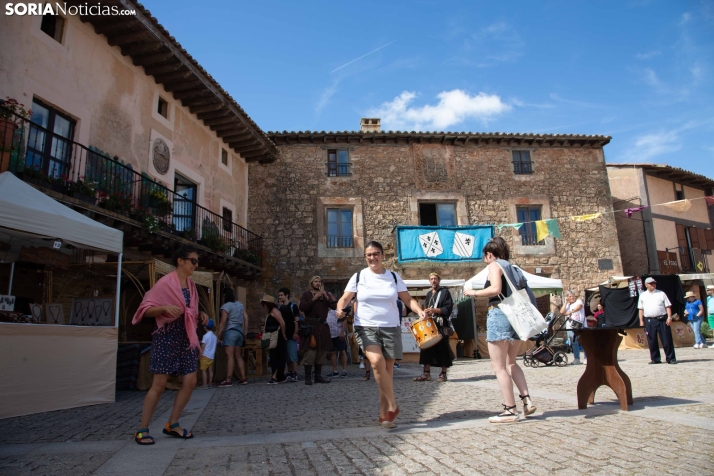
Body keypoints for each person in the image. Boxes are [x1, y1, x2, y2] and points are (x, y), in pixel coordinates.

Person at [336, 240, 426, 429]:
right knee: (376, 362)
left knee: (386, 372)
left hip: (390, 327)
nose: (372, 257)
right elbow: (345, 298)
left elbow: (407, 298)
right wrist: (339, 309)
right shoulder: (359, 276)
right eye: (369, 255)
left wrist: (419, 311)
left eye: (376, 254)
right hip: (365, 327)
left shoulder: (393, 277)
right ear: (365, 257)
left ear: (383, 255)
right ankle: (394, 406)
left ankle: (385, 416)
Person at [131, 245, 209, 444]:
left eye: (197, 261)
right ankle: (142, 429)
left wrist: (199, 314)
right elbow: (145, 309)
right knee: (159, 384)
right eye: (193, 260)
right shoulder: (164, 283)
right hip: (167, 336)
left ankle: (173, 424)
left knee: (190, 382)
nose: (196, 264)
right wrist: (163, 308)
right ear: (180, 261)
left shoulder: (191, 286)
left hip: (186, 337)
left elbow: (189, 310)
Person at [463, 237, 537, 423]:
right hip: (516, 317)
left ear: (489, 254)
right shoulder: (513, 268)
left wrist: (473, 293)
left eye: (485, 256)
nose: (484, 260)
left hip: (500, 313)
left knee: (499, 366)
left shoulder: (495, 266)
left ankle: (510, 410)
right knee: (511, 362)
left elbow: (495, 289)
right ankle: (526, 400)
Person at [414, 272, 454, 382]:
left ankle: (443, 374)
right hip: (430, 324)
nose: (433, 281)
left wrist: (435, 310)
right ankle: (426, 374)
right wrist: (426, 313)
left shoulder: (444, 292)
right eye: (431, 279)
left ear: (439, 280)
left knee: (443, 348)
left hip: (441, 324)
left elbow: (448, 307)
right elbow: (427, 307)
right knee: (426, 347)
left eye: (435, 278)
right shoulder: (428, 294)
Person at [299, 276, 336, 385]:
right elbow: (302, 307)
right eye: (315, 281)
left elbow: (334, 307)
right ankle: (308, 377)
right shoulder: (306, 295)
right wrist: (314, 299)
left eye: (319, 281)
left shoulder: (326, 295)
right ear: (311, 283)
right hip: (311, 326)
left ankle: (318, 376)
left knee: (322, 352)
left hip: (322, 326)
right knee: (310, 352)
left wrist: (326, 297)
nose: (318, 283)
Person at [638, 277, 677, 364]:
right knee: (652, 340)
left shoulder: (661, 293)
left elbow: (667, 306)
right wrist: (641, 321)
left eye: (654, 283)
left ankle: (670, 358)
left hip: (661, 319)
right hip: (649, 320)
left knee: (666, 340)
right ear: (646, 285)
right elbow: (641, 309)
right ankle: (655, 358)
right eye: (651, 284)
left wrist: (669, 317)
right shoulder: (643, 295)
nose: (653, 285)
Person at [216, 288, 249, 387]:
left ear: (225, 295)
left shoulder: (226, 306)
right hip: (239, 332)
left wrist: (217, 334)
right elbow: (246, 318)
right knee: (238, 356)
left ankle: (228, 379)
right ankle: (243, 378)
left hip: (231, 332)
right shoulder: (240, 305)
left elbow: (223, 322)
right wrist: (245, 331)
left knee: (229, 356)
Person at [262, 294, 288, 384]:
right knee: (274, 356)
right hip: (273, 336)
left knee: (277, 356)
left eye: (264, 304)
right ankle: (277, 376)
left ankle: (275, 376)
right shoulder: (270, 312)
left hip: (277, 336)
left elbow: (282, 323)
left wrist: (283, 334)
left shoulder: (274, 311)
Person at [278, 287, 301, 382]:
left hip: (291, 333)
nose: (279, 297)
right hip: (283, 334)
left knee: (292, 354)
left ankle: (295, 372)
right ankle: (290, 372)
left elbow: (297, 320)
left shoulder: (293, 306)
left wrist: (296, 332)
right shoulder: (280, 307)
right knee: (286, 355)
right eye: (279, 295)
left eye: (281, 295)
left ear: (286, 295)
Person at [561, 291, 587, 365]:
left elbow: (579, 307)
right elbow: (562, 312)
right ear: (567, 298)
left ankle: (586, 358)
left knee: (583, 341)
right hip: (570, 326)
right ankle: (576, 358)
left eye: (573, 296)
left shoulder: (579, 301)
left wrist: (571, 311)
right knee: (574, 342)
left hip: (580, 325)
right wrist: (566, 303)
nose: (572, 298)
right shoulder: (568, 305)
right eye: (570, 296)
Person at [327, 308, 348, 378]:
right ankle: (335, 371)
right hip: (330, 335)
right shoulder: (326, 310)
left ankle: (344, 370)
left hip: (338, 334)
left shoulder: (337, 310)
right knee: (332, 352)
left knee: (342, 351)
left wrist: (342, 332)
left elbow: (344, 319)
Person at [197, 319, 217, 389]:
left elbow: (203, 346)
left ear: (205, 327)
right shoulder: (214, 336)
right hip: (211, 356)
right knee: (210, 370)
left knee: (204, 370)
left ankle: (204, 385)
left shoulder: (205, 336)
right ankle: (210, 384)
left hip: (205, 355)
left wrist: (200, 353)